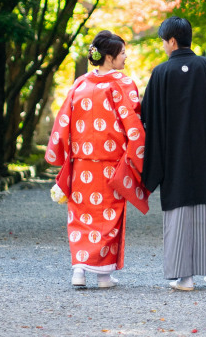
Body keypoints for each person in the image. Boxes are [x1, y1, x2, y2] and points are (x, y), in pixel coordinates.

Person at [142, 16, 206, 291]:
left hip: (174, 156)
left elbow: (147, 118)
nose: (164, 46)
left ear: (172, 41)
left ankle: (184, 278)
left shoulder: (161, 74)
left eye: (164, 41)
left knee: (179, 212)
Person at [46, 30, 149, 289]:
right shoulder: (122, 84)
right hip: (110, 165)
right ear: (111, 57)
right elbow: (134, 126)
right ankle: (103, 275)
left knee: (80, 217)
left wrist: (64, 157)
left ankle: (79, 271)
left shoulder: (80, 84)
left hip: (81, 166)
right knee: (109, 218)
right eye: (122, 53)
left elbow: (63, 123)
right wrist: (142, 157)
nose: (126, 57)